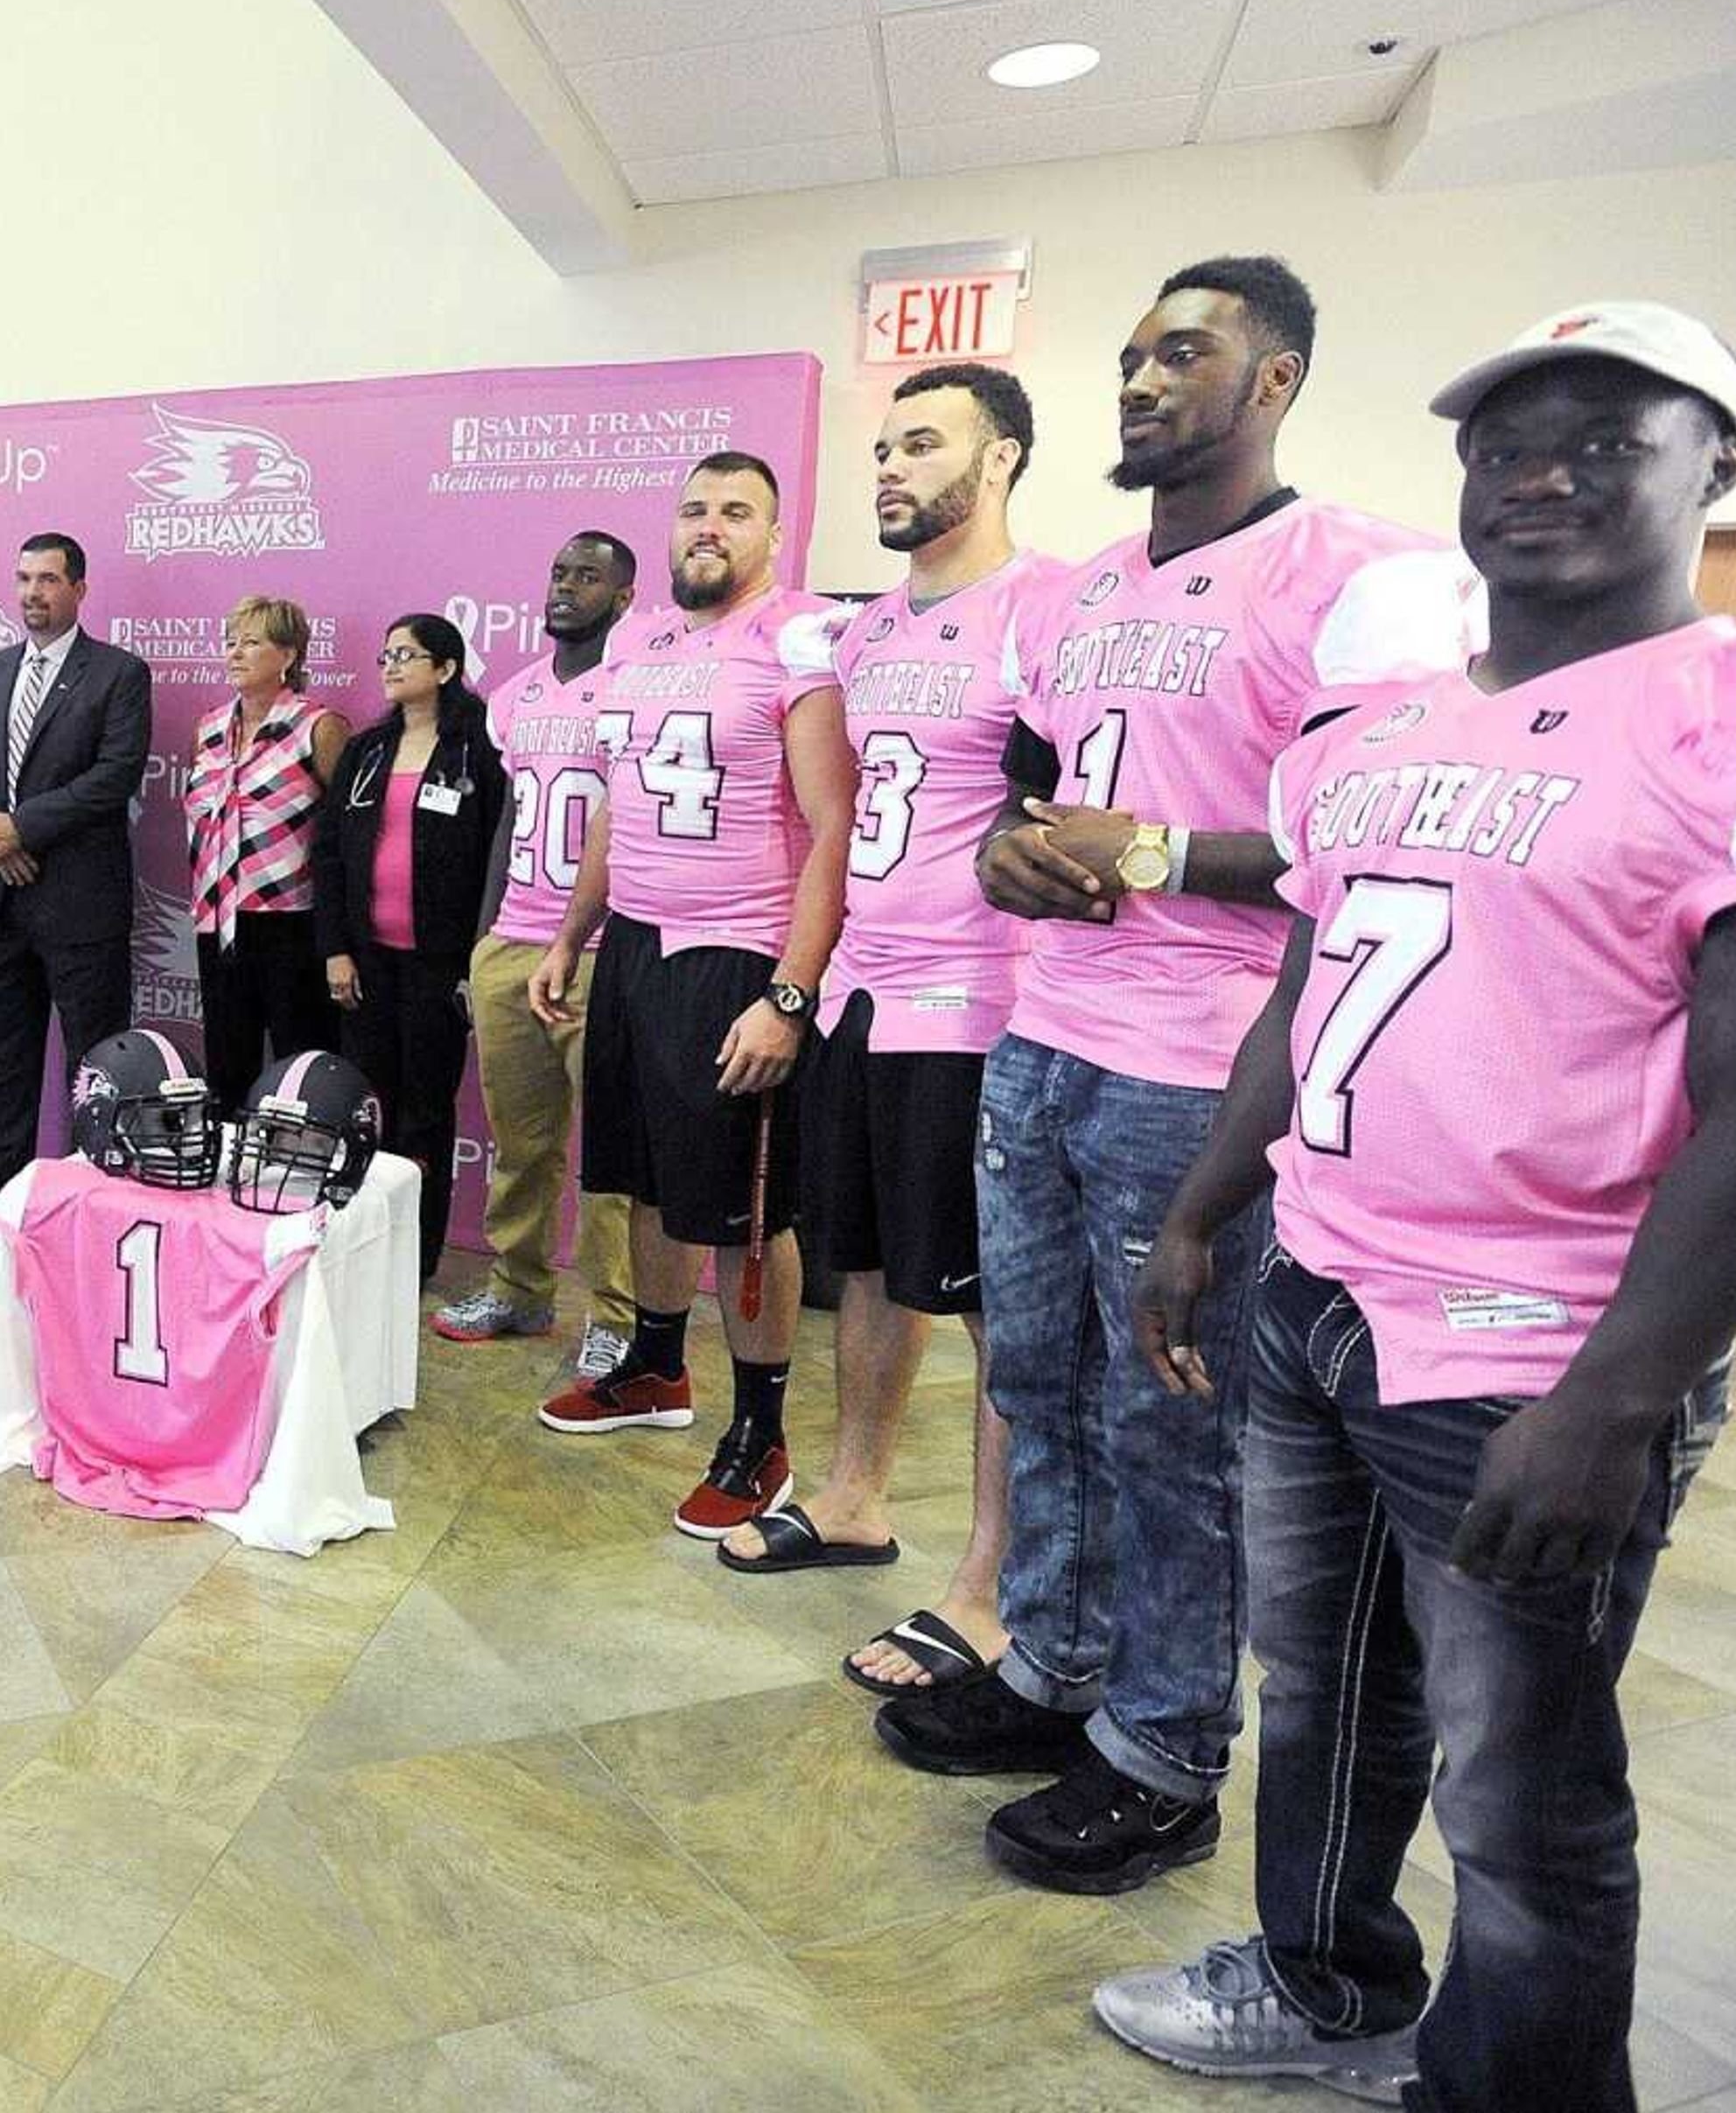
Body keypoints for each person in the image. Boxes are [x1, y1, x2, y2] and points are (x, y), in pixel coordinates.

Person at [1091, 304, 1736, 2110]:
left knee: (1519, 1788)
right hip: (1315, 1283)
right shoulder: (1370, 732)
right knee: (1312, 1688)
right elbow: (1303, 998)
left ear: (1719, 462)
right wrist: (1201, 1215)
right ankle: (1323, 1981)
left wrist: (1617, 1397)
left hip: (1530, 1355)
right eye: (1500, 442)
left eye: (1603, 437)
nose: (1536, 472)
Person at [876, 256, 1485, 1901]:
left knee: (1172, 1424)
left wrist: (1148, 848)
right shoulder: (1076, 595)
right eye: (1132, 356)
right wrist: (1017, 854)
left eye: (1184, 355)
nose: (1139, 383)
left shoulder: (1360, 573)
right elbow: (1046, 794)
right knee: (1036, 1385)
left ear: (1274, 379)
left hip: (1202, 1072)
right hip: (1044, 1041)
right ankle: (1052, 1668)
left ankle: (1160, 1752)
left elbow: (1376, 835)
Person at [715, 368, 1062, 1722]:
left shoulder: (1044, 612)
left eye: (925, 442)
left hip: (977, 1006)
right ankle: (854, 1500)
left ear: (1004, 457)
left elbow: (1070, 806)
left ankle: (985, 1581)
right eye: (882, 446)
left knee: (990, 1302)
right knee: (863, 1264)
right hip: (864, 991)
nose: (892, 466)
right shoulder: (860, 635)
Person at [526, 454, 858, 1543]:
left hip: (736, 955)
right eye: (694, 510)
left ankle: (759, 1433)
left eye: (735, 512)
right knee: (647, 1189)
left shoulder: (799, 636)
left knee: (744, 1217)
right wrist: (575, 935)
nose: (708, 528)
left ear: (775, 530)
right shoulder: (640, 640)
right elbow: (619, 813)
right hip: (635, 947)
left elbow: (832, 827)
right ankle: (655, 1370)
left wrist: (791, 993)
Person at [433, 531, 644, 1386]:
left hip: (597, 950)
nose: (566, 588)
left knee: (611, 1158)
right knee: (521, 1144)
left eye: (588, 577)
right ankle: (519, 1287)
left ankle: (617, 1318)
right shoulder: (512, 697)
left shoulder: (636, 690)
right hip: (512, 943)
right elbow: (510, 823)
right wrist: (483, 940)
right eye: (559, 571)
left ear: (624, 598)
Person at [0, 531, 153, 1206]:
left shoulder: (117, 674)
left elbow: (114, 776)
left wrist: (21, 828)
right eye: (24, 578)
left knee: (95, 1053)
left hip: (80, 902)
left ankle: (93, 1181)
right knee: (5, 1046)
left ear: (79, 590)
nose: (33, 592)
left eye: (49, 580)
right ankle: (3, 1166)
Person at [310, 612, 502, 1282]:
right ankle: (363, 1245)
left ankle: (414, 1256)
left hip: (438, 966)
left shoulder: (480, 749)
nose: (390, 665)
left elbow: (493, 859)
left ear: (445, 669)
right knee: (370, 1106)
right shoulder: (366, 750)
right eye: (386, 653)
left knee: (425, 1111)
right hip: (366, 963)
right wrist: (335, 947)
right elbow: (328, 855)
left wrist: (478, 959)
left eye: (408, 655)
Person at [182, 593, 348, 1099]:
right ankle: (231, 1171)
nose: (235, 653)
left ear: (289, 655)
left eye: (251, 643)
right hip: (218, 920)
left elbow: (344, 833)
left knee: (300, 1063)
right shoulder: (210, 727)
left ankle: (302, 1170)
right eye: (231, 642)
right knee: (227, 1061)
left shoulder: (319, 725)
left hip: (292, 921)